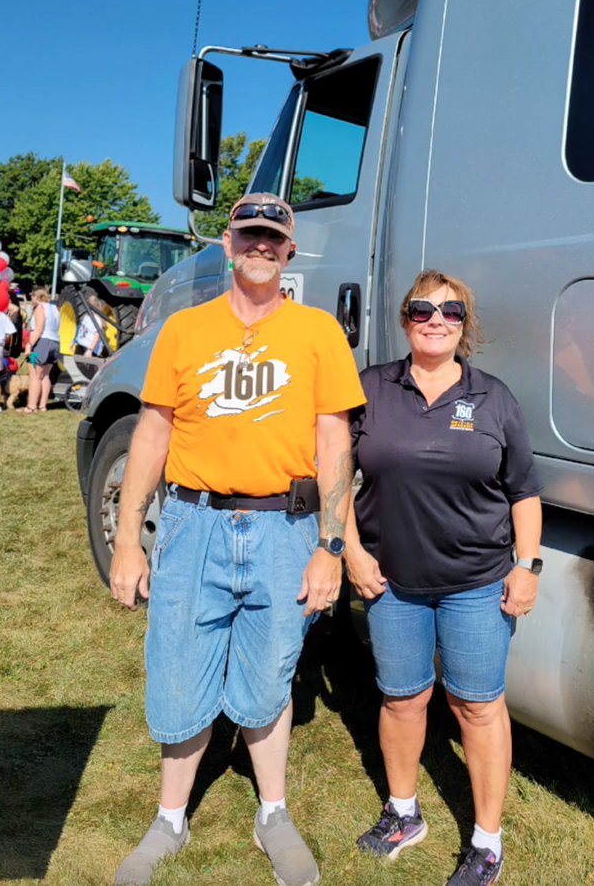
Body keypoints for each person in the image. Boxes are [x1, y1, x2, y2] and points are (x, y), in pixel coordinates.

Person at [110, 192, 365, 886]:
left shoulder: (318, 332)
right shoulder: (184, 330)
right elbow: (152, 434)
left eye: (272, 238)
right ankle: (169, 820)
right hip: (194, 525)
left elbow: (333, 443)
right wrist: (129, 539)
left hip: (285, 527)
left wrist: (330, 546)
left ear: (289, 251)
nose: (260, 246)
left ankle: (272, 814)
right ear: (227, 245)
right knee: (178, 665)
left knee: (271, 669)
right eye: (248, 234)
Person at [346, 269, 543, 885]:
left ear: (465, 325)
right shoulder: (371, 387)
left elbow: (524, 491)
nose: (436, 320)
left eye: (451, 311)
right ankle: (403, 813)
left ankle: (486, 843)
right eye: (422, 309)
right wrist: (350, 550)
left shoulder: (494, 398)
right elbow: (333, 475)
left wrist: (527, 566)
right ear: (404, 318)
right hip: (392, 583)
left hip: (478, 583)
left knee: (477, 708)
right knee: (402, 699)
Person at [23, 286, 60, 412]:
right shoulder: (54, 309)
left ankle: (31, 406)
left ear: (36, 297)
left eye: (32, 297)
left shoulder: (40, 308)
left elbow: (38, 329)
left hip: (42, 342)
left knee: (35, 376)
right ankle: (42, 406)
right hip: (55, 341)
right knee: (45, 375)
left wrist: (29, 344)